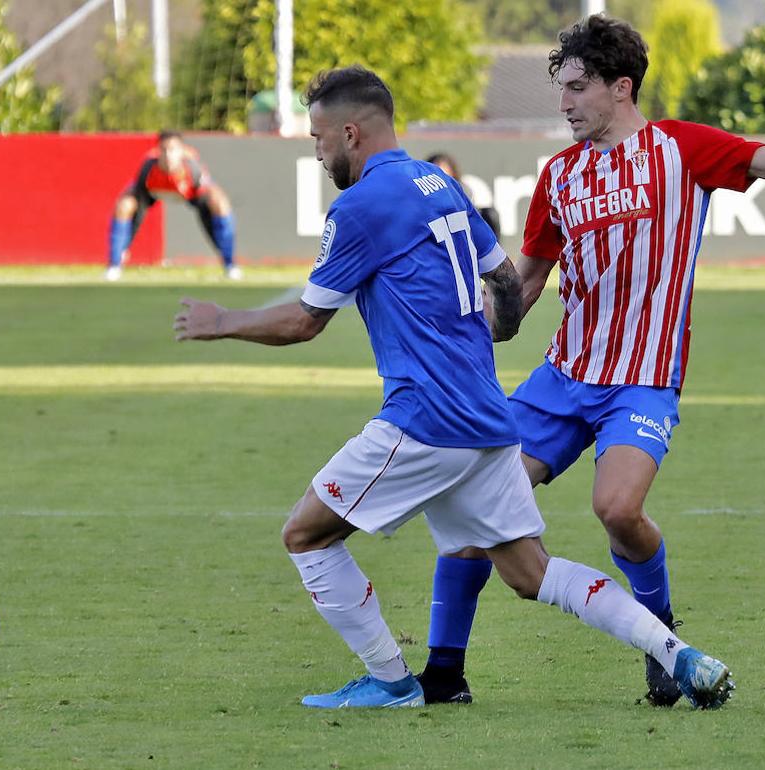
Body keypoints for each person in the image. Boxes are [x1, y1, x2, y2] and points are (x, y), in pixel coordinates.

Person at [417, 14, 765, 708]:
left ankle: (660, 638)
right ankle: (444, 673)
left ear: (620, 86)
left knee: (618, 510)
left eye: (575, 88)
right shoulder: (559, 177)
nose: (563, 103)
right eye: (561, 89)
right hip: (561, 379)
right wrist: (470, 327)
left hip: (643, 381)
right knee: (479, 500)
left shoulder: (681, 149)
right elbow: (526, 287)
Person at [173, 65, 734, 710]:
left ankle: (390, 680)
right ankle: (677, 652)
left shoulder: (358, 206)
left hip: (422, 421)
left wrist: (224, 322)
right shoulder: (441, 184)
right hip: (489, 422)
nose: (317, 149)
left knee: (305, 534)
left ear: (351, 133)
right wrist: (477, 339)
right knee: (533, 573)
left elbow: (305, 321)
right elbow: (502, 277)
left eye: (319, 136)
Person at [106, 130, 241, 281]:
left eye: (173, 149)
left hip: (187, 193)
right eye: (164, 150)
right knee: (124, 205)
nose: (168, 155)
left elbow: (208, 195)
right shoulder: (148, 167)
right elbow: (138, 204)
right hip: (154, 192)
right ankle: (114, 264)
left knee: (220, 203)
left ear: (181, 151)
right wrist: (126, 244)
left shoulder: (193, 169)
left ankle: (230, 264)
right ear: (158, 151)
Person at [425, 153, 502, 240]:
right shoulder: (424, 214)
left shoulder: (464, 201)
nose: (442, 186)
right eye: (436, 182)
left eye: (447, 179)